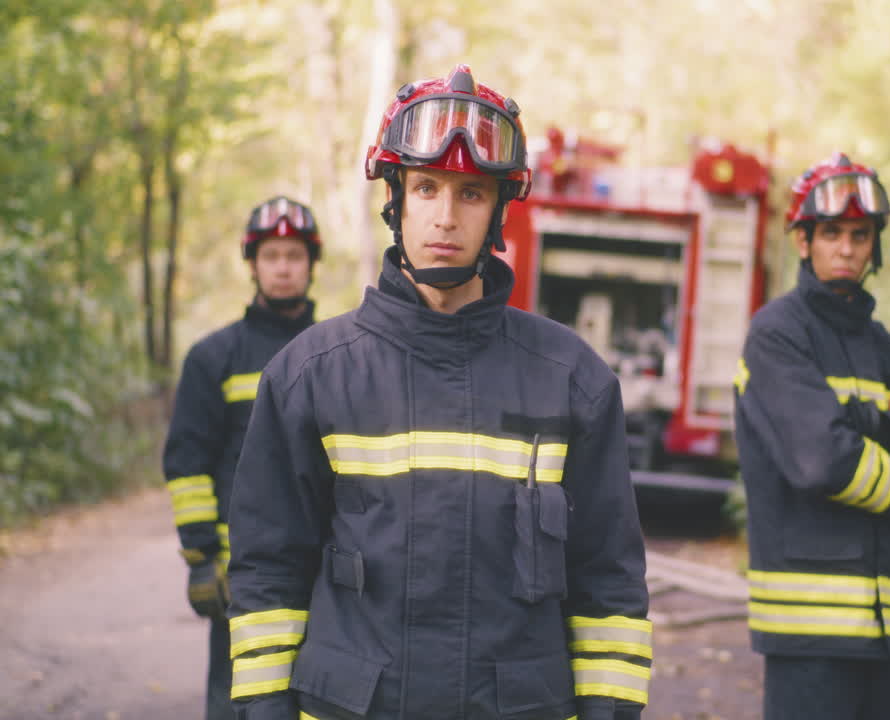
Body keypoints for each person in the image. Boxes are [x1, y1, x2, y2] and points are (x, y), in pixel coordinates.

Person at [224, 64, 651, 720]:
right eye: (426, 188)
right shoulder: (310, 375)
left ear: (500, 210)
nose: (445, 217)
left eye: (471, 194)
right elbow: (267, 569)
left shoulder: (573, 380)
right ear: (394, 200)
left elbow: (608, 584)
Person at [732, 152, 890, 720]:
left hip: (886, 630)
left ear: (874, 246)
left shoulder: (881, 345)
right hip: (808, 635)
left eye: (860, 235)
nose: (846, 248)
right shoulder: (776, 336)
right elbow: (824, 461)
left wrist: (886, 425)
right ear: (804, 242)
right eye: (832, 232)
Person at [163, 196, 322, 719]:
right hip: (242, 579)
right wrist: (201, 558)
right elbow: (187, 464)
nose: (282, 267)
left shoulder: (340, 355)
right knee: (240, 702)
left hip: (328, 575)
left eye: (294, 256)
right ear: (252, 263)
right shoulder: (213, 358)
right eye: (272, 255)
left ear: (311, 264)